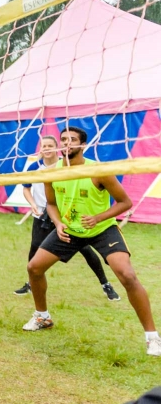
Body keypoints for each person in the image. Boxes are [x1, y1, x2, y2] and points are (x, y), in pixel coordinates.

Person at [23, 127, 161, 356]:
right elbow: (52, 204)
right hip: (70, 229)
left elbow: (125, 202)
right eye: (63, 140)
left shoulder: (98, 170)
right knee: (34, 267)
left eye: (72, 140)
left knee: (127, 275)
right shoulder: (52, 172)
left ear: (82, 145)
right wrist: (58, 224)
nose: (67, 143)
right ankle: (42, 317)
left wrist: (98, 217)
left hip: (102, 228)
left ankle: (153, 338)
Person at [14, 135, 119, 300]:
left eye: (50, 145)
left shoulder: (65, 165)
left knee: (86, 251)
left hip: (67, 216)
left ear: (57, 148)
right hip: (43, 214)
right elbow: (26, 188)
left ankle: (105, 283)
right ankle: (30, 284)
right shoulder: (36, 167)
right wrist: (33, 203)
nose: (47, 149)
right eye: (44, 146)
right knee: (35, 249)